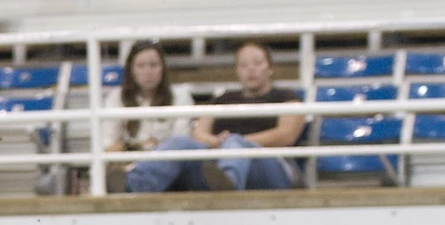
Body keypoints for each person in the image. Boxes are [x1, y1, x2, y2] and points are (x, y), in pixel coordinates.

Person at [123, 40, 305, 193]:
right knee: (180, 142)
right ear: (237, 70)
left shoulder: (286, 97)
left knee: (235, 141)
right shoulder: (223, 99)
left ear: (270, 68)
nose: (251, 69)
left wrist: (236, 143)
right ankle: (134, 183)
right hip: (219, 161)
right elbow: (198, 133)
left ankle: (229, 184)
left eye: (257, 63)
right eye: (244, 65)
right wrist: (217, 143)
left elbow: (286, 134)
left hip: (271, 168)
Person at [101, 42, 192, 194]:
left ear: (163, 68)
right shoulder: (116, 97)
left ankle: (133, 185)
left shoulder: (180, 96)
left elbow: (180, 141)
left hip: (168, 164)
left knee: (177, 150)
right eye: (141, 66)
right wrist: (142, 147)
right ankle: (134, 182)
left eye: (154, 65)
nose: (148, 71)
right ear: (131, 70)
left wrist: (134, 146)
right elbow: (109, 146)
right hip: (129, 163)